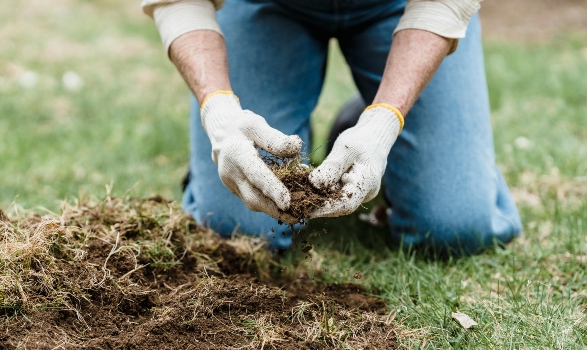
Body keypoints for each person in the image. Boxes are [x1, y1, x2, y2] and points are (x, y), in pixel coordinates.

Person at [142, 0, 522, 256]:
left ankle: (366, 120)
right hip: (266, 5)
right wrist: (219, 113)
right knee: (238, 229)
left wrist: (383, 122)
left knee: (452, 229)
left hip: (400, 6)